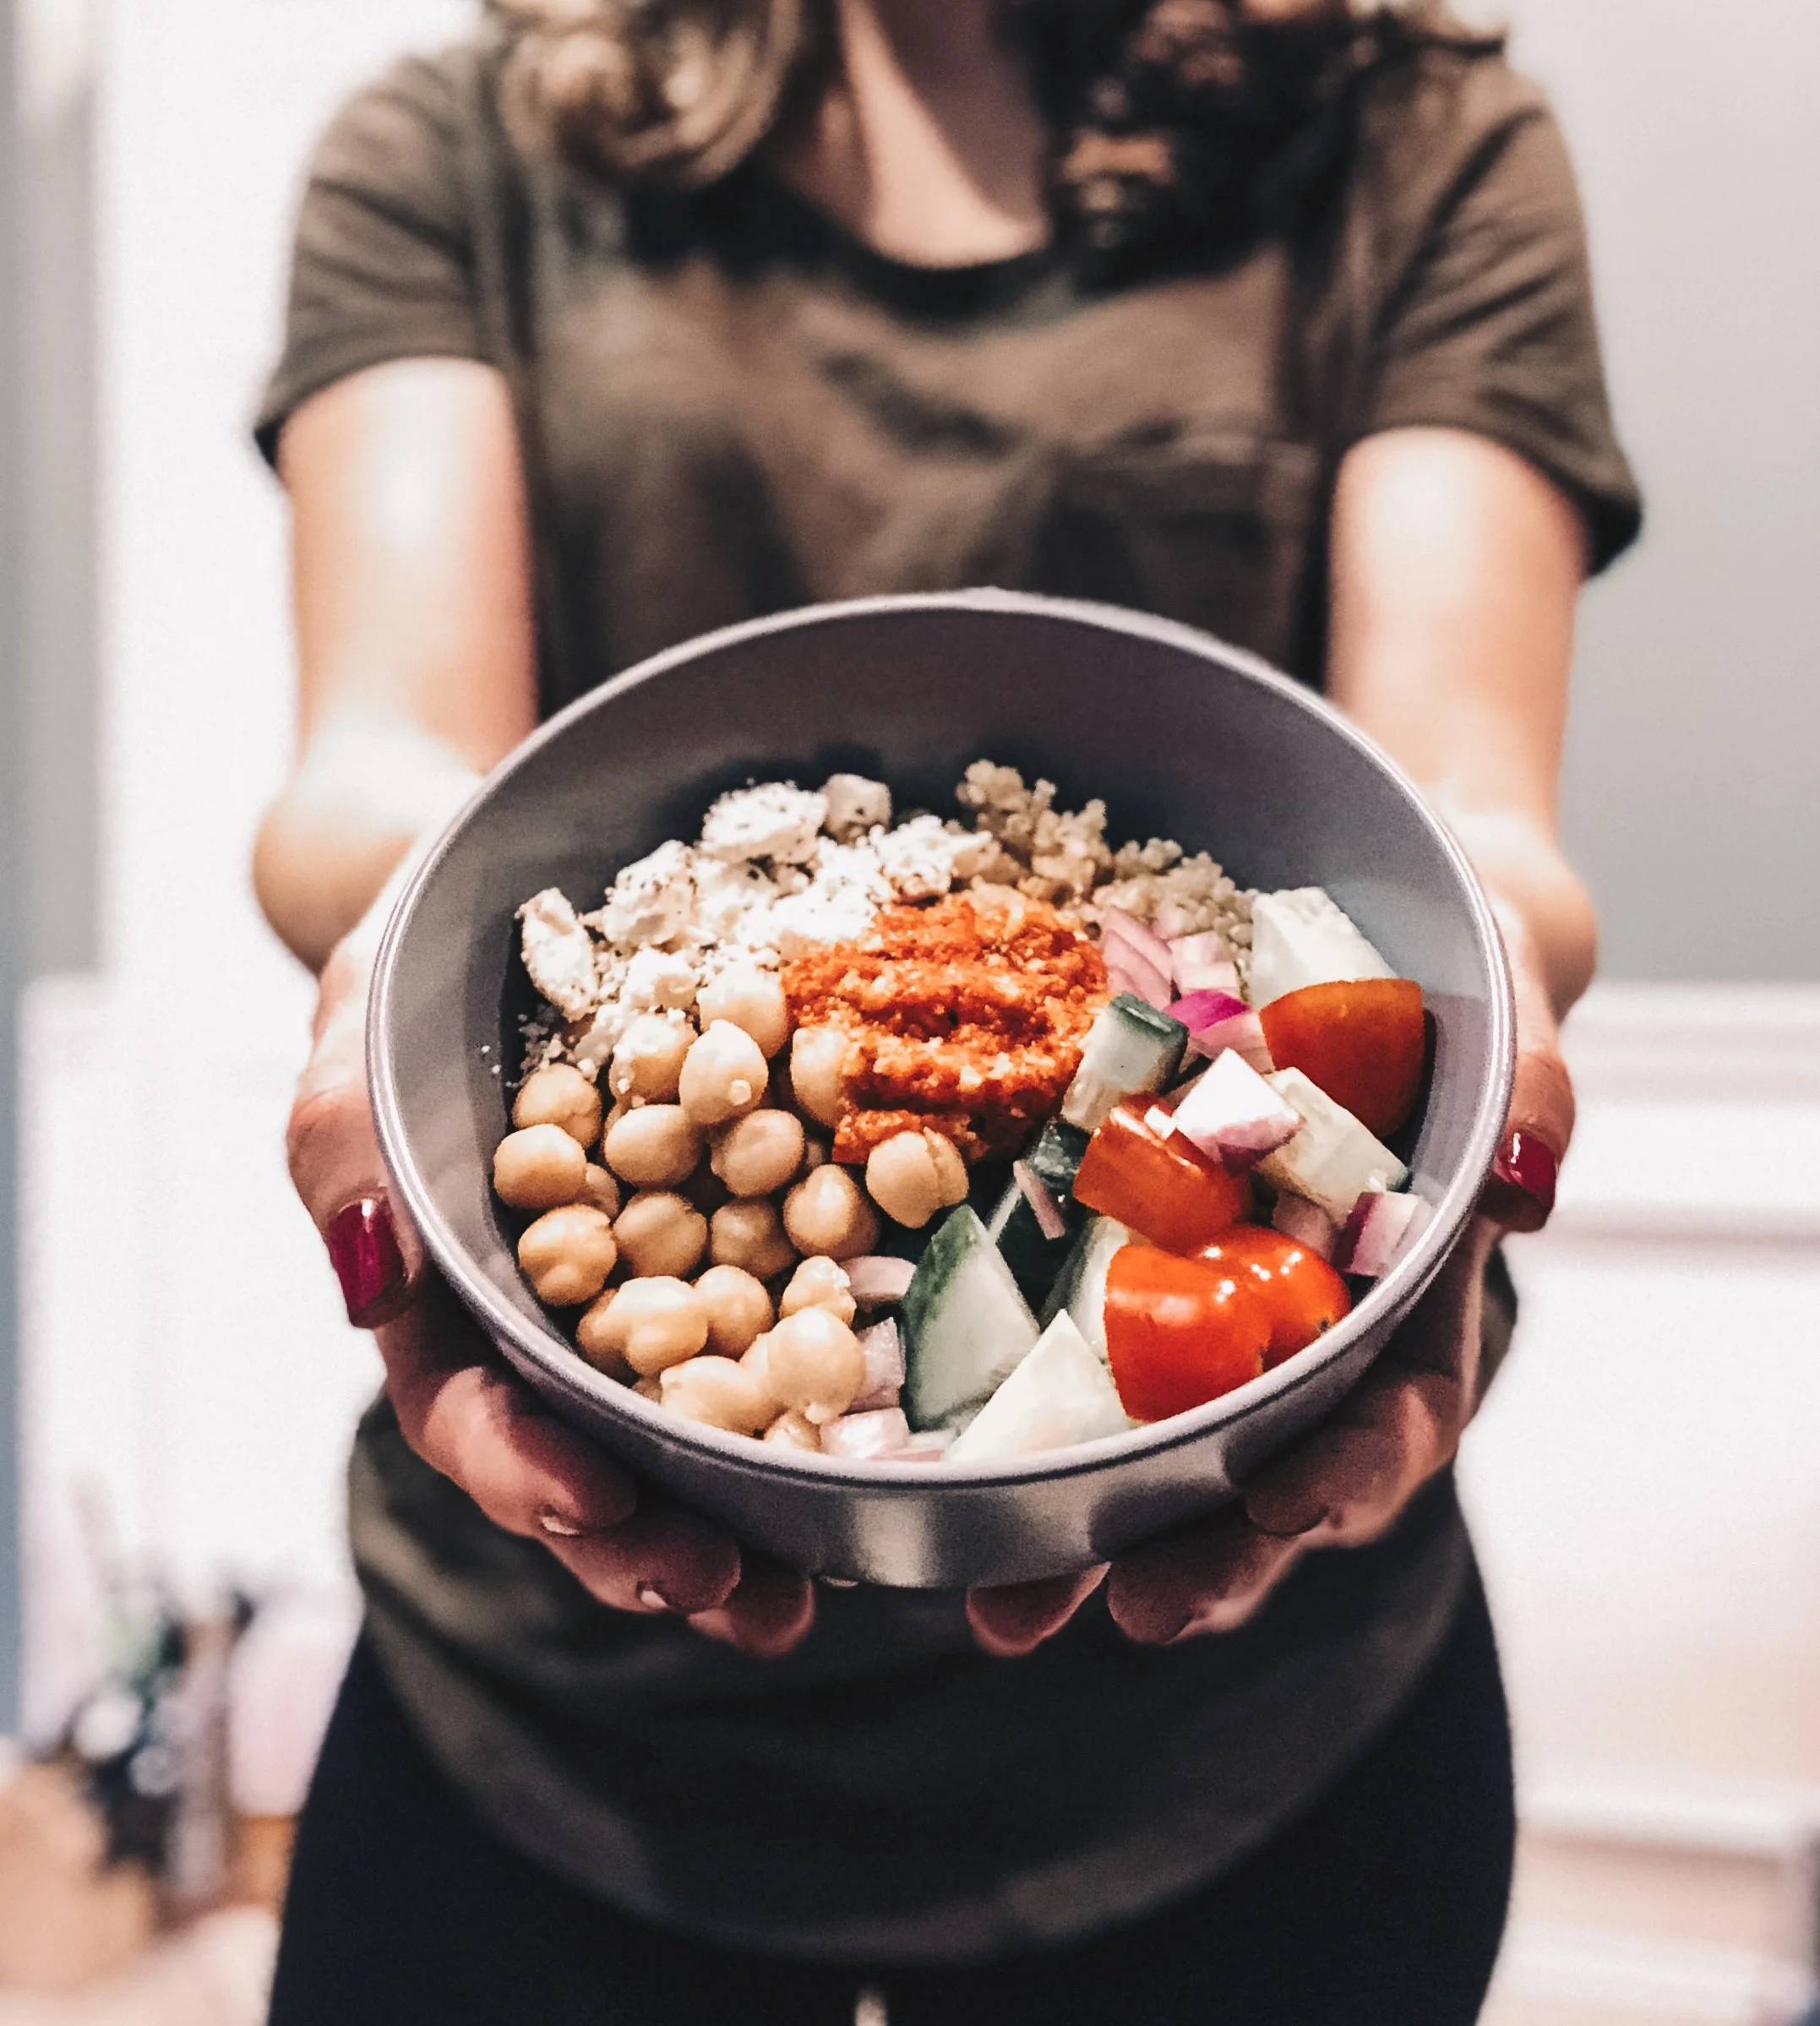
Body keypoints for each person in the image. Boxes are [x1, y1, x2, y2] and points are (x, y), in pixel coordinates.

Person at [253, 2, 1638, 2019]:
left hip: (1243, 1730)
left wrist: (1472, 1013)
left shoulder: (1417, 144)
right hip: (557, 1712)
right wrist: (404, 928)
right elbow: (376, 760)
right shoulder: (462, 141)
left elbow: (1465, 813)